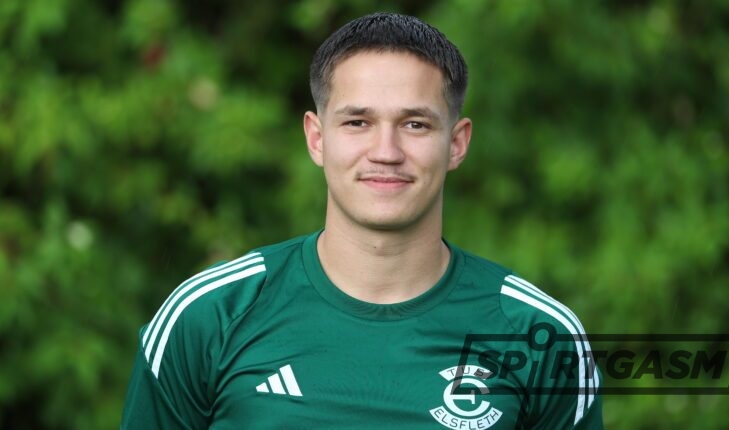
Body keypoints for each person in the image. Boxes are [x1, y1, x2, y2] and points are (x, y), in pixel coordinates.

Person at [121, 12, 603, 429]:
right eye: (357, 122)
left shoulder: (540, 337)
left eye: (415, 124)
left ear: (456, 143)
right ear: (316, 138)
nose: (386, 152)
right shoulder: (209, 318)